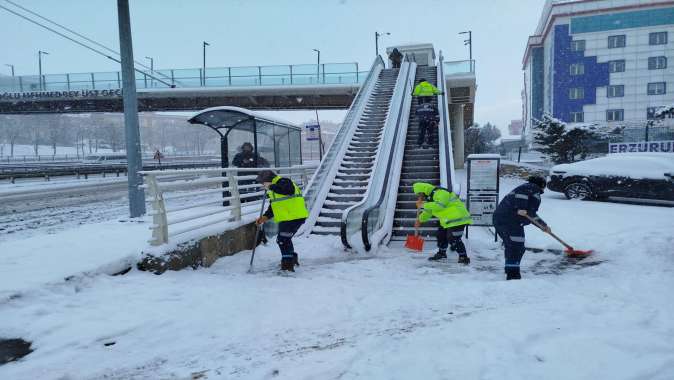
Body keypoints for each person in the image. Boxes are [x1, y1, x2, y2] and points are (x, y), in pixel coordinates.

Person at [493, 176, 550, 280]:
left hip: (503, 219)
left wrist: (543, 225)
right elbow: (523, 202)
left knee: (512, 245)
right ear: (541, 185)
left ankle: (510, 269)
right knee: (516, 247)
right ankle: (513, 274)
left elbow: (530, 213)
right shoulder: (530, 188)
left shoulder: (527, 188)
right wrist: (520, 208)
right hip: (509, 220)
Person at [255, 170, 309, 272]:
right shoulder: (274, 189)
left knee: (282, 239)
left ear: (268, 179)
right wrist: (264, 218)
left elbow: (289, 190)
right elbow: (273, 206)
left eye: (263, 182)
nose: (262, 185)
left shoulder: (283, 181)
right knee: (285, 239)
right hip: (288, 218)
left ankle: (287, 266)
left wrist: (270, 186)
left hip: (294, 217)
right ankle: (291, 259)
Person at [413, 182, 473, 264]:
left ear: (424, 191)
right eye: (418, 195)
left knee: (453, 238)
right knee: (441, 235)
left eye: (420, 194)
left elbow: (440, 205)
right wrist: (420, 220)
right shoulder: (431, 199)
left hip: (458, 218)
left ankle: (463, 257)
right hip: (447, 220)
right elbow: (428, 212)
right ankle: (442, 253)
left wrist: (423, 205)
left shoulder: (441, 192)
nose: (420, 197)